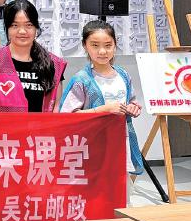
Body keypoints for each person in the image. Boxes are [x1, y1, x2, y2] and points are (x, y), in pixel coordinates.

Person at [60, 21, 144, 176]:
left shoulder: (123, 75)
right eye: (95, 45)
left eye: (108, 45)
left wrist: (133, 108)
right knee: (96, 186)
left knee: (121, 186)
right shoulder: (82, 79)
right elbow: (67, 117)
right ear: (85, 46)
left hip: (121, 142)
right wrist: (103, 109)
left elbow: (132, 101)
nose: (102, 51)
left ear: (115, 45)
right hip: (92, 145)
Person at [0, 0, 66, 112]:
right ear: (7, 28)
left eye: (28, 25)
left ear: (36, 28)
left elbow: (56, 108)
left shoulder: (54, 64)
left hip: (44, 124)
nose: (22, 31)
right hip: (5, 124)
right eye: (15, 25)